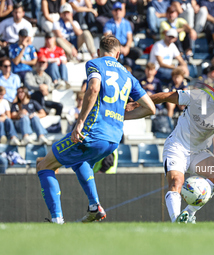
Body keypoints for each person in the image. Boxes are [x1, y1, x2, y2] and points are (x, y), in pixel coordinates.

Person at [35, 35, 155, 224]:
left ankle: (57, 219)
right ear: (118, 54)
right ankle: (94, 206)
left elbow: (93, 89)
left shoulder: (95, 63)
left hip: (92, 132)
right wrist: (121, 116)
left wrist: (80, 122)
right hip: (114, 139)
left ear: (99, 52)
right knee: (80, 161)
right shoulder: (128, 75)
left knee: (44, 166)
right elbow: (150, 108)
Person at [127, 76, 214, 223]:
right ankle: (176, 221)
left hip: (199, 152)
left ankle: (188, 214)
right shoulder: (198, 96)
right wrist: (137, 104)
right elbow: (167, 96)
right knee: (176, 182)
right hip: (177, 146)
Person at [103, 2, 142, 67]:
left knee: (138, 52)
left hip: (125, 46)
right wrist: (119, 48)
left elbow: (130, 38)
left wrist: (127, 47)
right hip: (114, 47)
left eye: (120, 10)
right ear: (112, 11)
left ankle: (129, 62)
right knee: (116, 59)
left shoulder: (127, 23)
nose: (118, 12)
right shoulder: (108, 24)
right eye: (116, 10)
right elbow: (109, 38)